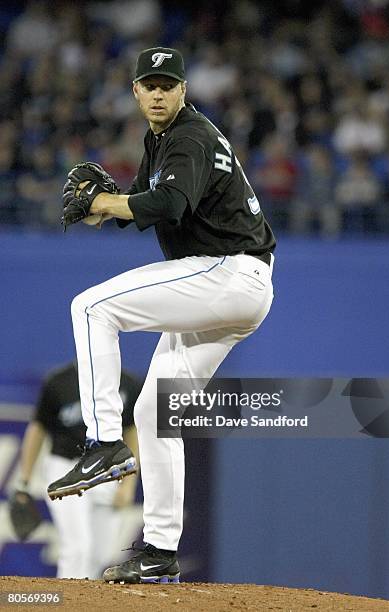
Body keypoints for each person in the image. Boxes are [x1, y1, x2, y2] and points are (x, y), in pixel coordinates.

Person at [49, 46, 276, 584]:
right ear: (134, 91)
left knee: (91, 307)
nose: (156, 92)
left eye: (166, 84)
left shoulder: (189, 135)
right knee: (155, 415)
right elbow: (152, 205)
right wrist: (114, 210)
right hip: (238, 287)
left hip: (227, 272)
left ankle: (104, 442)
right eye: (147, 84)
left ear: (182, 91)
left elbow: (169, 206)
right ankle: (160, 551)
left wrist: (102, 205)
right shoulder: (163, 141)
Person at [15, 360, 141, 578]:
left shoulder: (127, 383)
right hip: (65, 467)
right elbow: (37, 430)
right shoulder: (58, 382)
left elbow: (131, 432)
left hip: (108, 471)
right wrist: (24, 481)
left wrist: (129, 484)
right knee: (77, 547)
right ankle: (68, 604)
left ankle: (85, 604)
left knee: (101, 554)